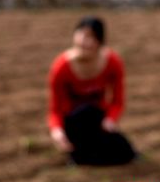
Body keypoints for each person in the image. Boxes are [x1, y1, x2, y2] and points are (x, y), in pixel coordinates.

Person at [47, 16, 136, 165]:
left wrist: (110, 120)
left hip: (98, 120)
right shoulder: (61, 67)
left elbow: (118, 101)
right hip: (74, 122)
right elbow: (55, 109)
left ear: (100, 42)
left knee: (127, 153)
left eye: (90, 37)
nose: (84, 40)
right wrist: (57, 131)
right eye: (81, 34)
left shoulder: (112, 62)